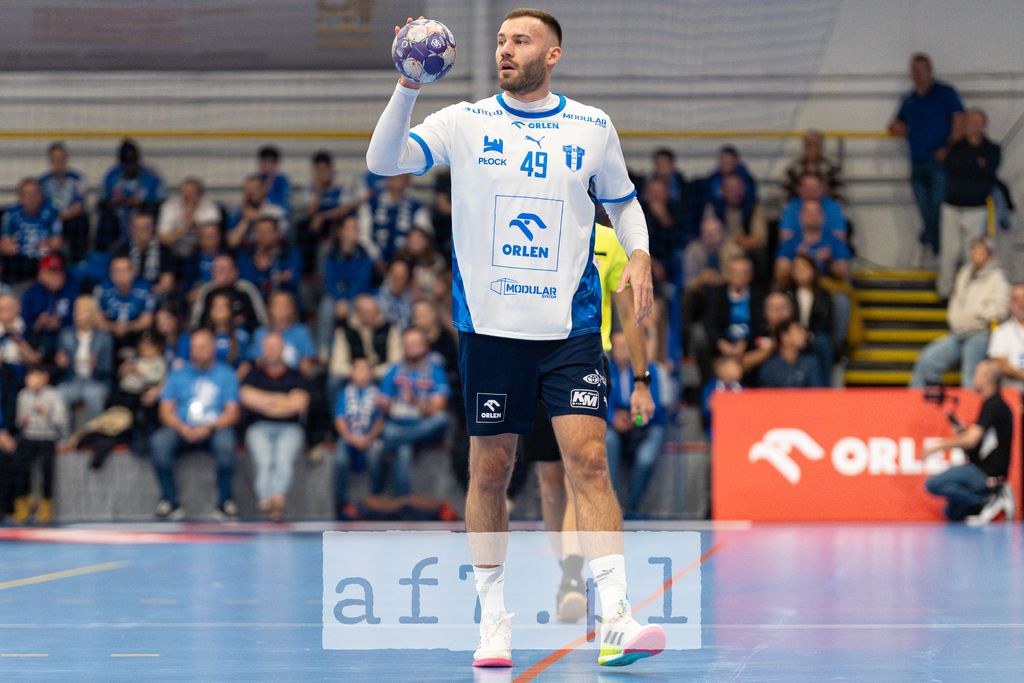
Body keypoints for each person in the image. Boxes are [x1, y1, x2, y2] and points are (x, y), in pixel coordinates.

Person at [366, 8, 660, 668]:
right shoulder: (466, 121)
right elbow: (382, 161)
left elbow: (623, 202)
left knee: (589, 461)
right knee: (491, 470)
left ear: (552, 55)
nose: (506, 49)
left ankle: (616, 616)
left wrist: (639, 252)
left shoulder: (592, 126)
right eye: (501, 40)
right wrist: (408, 84)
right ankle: (493, 618)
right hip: (491, 330)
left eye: (521, 40)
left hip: (570, 327)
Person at [150, 328, 241, 521]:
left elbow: (232, 412)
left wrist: (209, 427)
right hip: (182, 427)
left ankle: (225, 502)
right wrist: (181, 427)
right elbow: (165, 411)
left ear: (213, 348)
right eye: (194, 347)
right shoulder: (178, 374)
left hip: (214, 428)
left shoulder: (226, 374)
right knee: (159, 442)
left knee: (226, 444)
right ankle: (170, 501)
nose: (197, 351)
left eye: (202, 347)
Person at [889, 53, 965, 263]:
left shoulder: (945, 93)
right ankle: (937, 248)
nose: (919, 75)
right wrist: (897, 128)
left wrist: (948, 148)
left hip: (939, 162)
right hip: (917, 161)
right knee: (925, 209)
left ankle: (939, 251)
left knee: (938, 208)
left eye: (922, 70)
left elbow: (960, 119)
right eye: (915, 71)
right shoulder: (909, 100)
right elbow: (896, 123)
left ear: (930, 70)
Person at [924, 360, 1015, 524]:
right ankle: (985, 498)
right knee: (951, 513)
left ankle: (988, 499)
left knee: (932, 484)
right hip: (982, 469)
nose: (973, 378)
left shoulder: (995, 405)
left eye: (976, 374)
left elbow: (971, 440)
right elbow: (979, 443)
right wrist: (962, 431)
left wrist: (937, 447)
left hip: (985, 473)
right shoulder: (990, 403)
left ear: (986, 378)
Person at [910, 238, 1009, 388]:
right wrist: (954, 316)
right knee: (927, 361)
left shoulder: (998, 279)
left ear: (989, 255)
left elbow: (1001, 310)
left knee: (969, 377)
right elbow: (956, 299)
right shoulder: (964, 273)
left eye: (980, 250)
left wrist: (978, 313)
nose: (975, 254)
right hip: (958, 332)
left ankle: (971, 403)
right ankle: (922, 399)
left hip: (979, 333)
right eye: (973, 250)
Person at [240, 331, 311, 522]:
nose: (272, 350)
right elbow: (246, 397)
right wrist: (283, 400)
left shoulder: (296, 375)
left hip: (290, 428)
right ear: (262, 349)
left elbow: (299, 404)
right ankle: (266, 502)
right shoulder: (253, 374)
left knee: (283, 460)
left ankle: (277, 500)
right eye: (268, 346)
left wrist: (265, 402)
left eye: (275, 346)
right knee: (264, 460)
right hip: (258, 427)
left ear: (283, 348)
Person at [374, 327, 450, 496]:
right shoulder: (394, 370)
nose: (412, 348)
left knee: (442, 419)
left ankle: (389, 443)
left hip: (423, 424)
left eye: (416, 344)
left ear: (425, 346)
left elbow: (439, 407)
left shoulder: (435, 370)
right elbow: (385, 401)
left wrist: (414, 401)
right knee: (403, 448)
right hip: (398, 422)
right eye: (408, 345)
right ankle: (404, 501)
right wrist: (384, 404)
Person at [937, 108, 1001, 298]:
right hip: (952, 206)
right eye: (971, 123)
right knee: (949, 251)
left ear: (984, 126)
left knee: (971, 253)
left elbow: (987, 171)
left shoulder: (992, 149)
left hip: (976, 207)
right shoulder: (955, 147)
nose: (974, 127)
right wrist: (974, 162)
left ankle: (968, 294)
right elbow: (950, 164)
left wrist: (968, 164)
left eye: (977, 123)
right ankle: (945, 291)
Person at [604, 332, 667, 517]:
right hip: (617, 424)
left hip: (646, 424)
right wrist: (613, 418)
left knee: (646, 458)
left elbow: (655, 406)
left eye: (626, 346)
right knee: (608, 440)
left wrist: (635, 419)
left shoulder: (649, 370)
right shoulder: (606, 369)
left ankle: (631, 506)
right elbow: (603, 401)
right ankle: (612, 502)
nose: (621, 351)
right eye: (617, 346)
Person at [14, 365, 69, 524]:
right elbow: (18, 422)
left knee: (47, 470)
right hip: (28, 436)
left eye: (36, 376)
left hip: (47, 437)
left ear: (44, 378)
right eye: (29, 377)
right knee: (20, 468)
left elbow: (61, 421)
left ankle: (45, 505)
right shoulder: (23, 395)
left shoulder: (54, 395)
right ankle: (23, 503)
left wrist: (47, 414)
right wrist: (23, 421)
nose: (32, 380)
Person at [333, 357, 384, 519]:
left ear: (371, 374)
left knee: (375, 457)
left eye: (365, 370)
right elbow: (340, 419)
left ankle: (375, 500)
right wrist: (350, 438)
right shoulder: (344, 393)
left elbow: (380, 420)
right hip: (348, 437)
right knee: (339, 459)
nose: (362, 374)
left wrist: (368, 438)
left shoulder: (377, 393)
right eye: (358, 370)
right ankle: (341, 503)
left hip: (370, 437)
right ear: (351, 373)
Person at [317, 214, 375, 356]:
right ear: (340, 231)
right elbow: (329, 281)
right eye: (351, 228)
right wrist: (340, 299)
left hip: (356, 297)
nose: (355, 232)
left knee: (363, 306)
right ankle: (324, 351)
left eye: (357, 228)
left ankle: (361, 353)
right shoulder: (329, 252)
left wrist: (347, 299)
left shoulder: (364, 253)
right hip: (335, 297)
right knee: (326, 306)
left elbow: (362, 282)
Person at [98, 139, 165, 250]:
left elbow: (162, 201)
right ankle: (109, 251)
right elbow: (101, 202)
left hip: (143, 214)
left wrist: (141, 203)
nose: (130, 167)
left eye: (133, 162)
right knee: (106, 218)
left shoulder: (151, 176)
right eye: (126, 163)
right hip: (118, 216)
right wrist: (116, 202)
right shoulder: (112, 175)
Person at [56, 296, 113, 424]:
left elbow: (108, 370)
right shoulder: (65, 334)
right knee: (60, 394)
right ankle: (65, 435)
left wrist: (97, 365)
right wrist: (61, 364)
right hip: (72, 379)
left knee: (93, 396)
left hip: (96, 380)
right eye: (76, 311)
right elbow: (59, 369)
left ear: (92, 314)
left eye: (83, 311)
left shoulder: (104, 338)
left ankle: (90, 434)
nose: (78, 315)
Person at [1, 177, 63, 288]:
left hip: (42, 258)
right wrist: (7, 245)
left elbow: (58, 242)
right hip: (17, 259)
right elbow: (4, 241)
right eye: (26, 194)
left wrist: (48, 244)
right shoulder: (11, 214)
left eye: (35, 194)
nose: (31, 198)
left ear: (41, 195)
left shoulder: (51, 212)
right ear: (20, 198)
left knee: (56, 259)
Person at [358, 173, 431, 266]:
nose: (398, 182)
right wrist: (375, 258)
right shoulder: (371, 204)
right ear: (388, 179)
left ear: (408, 181)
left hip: (407, 263)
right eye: (395, 177)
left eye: (402, 178)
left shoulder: (417, 208)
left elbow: (424, 236)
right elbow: (363, 235)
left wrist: (405, 257)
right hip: (371, 262)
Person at [783, 255, 835, 384]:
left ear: (813, 270)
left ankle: (824, 388)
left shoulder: (823, 295)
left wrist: (806, 335)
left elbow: (825, 321)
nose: (800, 271)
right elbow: (784, 321)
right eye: (796, 268)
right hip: (791, 335)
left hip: (814, 335)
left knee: (823, 342)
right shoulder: (786, 294)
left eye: (804, 267)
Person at [189, 254, 269, 332]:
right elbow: (195, 322)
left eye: (223, 268)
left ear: (235, 271)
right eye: (216, 269)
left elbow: (262, 319)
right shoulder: (206, 291)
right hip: (211, 335)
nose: (219, 272)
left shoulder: (246, 289)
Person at [21, 253, 78, 361]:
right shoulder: (31, 292)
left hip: (65, 337)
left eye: (58, 273)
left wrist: (60, 323)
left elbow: (79, 317)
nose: (55, 277)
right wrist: (38, 323)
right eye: (50, 273)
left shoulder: (72, 290)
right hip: (37, 337)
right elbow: (24, 320)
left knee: (68, 337)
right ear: (41, 274)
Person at [38, 142, 89, 263]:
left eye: (61, 158)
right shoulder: (43, 181)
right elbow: (40, 205)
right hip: (49, 218)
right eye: (55, 159)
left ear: (66, 158)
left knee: (81, 222)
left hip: (71, 219)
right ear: (50, 161)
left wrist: (64, 215)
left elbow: (80, 204)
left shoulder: (77, 178)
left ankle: (78, 261)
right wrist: (55, 216)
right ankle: (44, 260)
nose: (58, 162)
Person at [95, 255, 155, 352]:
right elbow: (98, 320)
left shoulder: (144, 290)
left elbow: (146, 321)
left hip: (136, 336)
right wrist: (113, 327)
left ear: (132, 272)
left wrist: (127, 327)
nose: (121, 275)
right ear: (111, 274)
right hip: (110, 336)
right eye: (117, 270)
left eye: (124, 270)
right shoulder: (103, 290)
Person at [250, 291, 317, 377]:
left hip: (293, 378)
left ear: (292, 309)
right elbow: (256, 362)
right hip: (265, 378)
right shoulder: (260, 333)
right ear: (270, 309)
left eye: (286, 305)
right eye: (277, 305)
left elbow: (307, 362)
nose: (282, 309)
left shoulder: (301, 332)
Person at [236, 215, 302, 299]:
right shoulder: (246, 255)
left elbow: (294, 279)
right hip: (255, 300)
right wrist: (261, 271)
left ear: (277, 234)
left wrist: (269, 269)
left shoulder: (291, 253)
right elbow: (245, 281)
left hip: (284, 299)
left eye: (267, 232)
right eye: (259, 232)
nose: (262, 235)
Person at [113, 211, 176, 298]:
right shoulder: (123, 249)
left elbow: (167, 283)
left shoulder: (164, 250)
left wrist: (145, 294)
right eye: (138, 228)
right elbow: (116, 275)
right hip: (128, 293)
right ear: (131, 229)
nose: (141, 231)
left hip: (154, 294)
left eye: (146, 228)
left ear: (152, 229)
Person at [156, 177, 222, 259]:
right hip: (172, 250)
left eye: (192, 192)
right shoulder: (169, 206)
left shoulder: (210, 207)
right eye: (185, 192)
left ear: (200, 194)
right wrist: (185, 226)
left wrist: (193, 223)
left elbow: (212, 237)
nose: (188, 196)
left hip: (199, 250)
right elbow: (163, 237)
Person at [778, 172, 848, 243]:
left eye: (815, 187)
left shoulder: (833, 207)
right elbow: (784, 236)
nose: (811, 190)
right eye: (807, 187)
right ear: (799, 189)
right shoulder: (791, 207)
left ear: (822, 189)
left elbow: (840, 236)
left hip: (830, 248)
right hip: (796, 248)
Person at [225, 174, 288, 250]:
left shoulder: (276, 211)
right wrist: (246, 220)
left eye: (255, 189)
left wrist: (258, 216)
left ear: (264, 189)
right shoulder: (237, 212)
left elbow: (280, 237)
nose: (251, 193)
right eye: (247, 190)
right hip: (247, 252)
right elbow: (232, 242)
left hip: (271, 251)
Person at [757, 318, 823, 388]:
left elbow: (817, 391)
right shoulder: (769, 369)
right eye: (798, 330)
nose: (804, 333)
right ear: (785, 337)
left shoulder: (811, 362)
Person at [783, 130, 845, 202]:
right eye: (809, 144)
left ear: (821, 146)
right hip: (799, 205)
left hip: (825, 205)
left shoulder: (832, 168)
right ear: (804, 146)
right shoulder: (793, 168)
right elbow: (785, 190)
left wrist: (821, 192)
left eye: (816, 144)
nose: (812, 148)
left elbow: (841, 191)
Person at [987, 283, 1024, 395]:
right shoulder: (1002, 331)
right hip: (1014, 387)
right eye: (1016, 299)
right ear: (1010, 303)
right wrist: (1021, 374)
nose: (1021, 304)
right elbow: (999, 362)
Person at [257, 145, 292, 213]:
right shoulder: (258, 179)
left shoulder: (282, 180)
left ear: (276, 164)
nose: (265, 165)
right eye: (263, 162)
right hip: (261, 209)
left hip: (279, 209)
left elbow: (285, 201)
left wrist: (270, 180)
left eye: (269, 162)